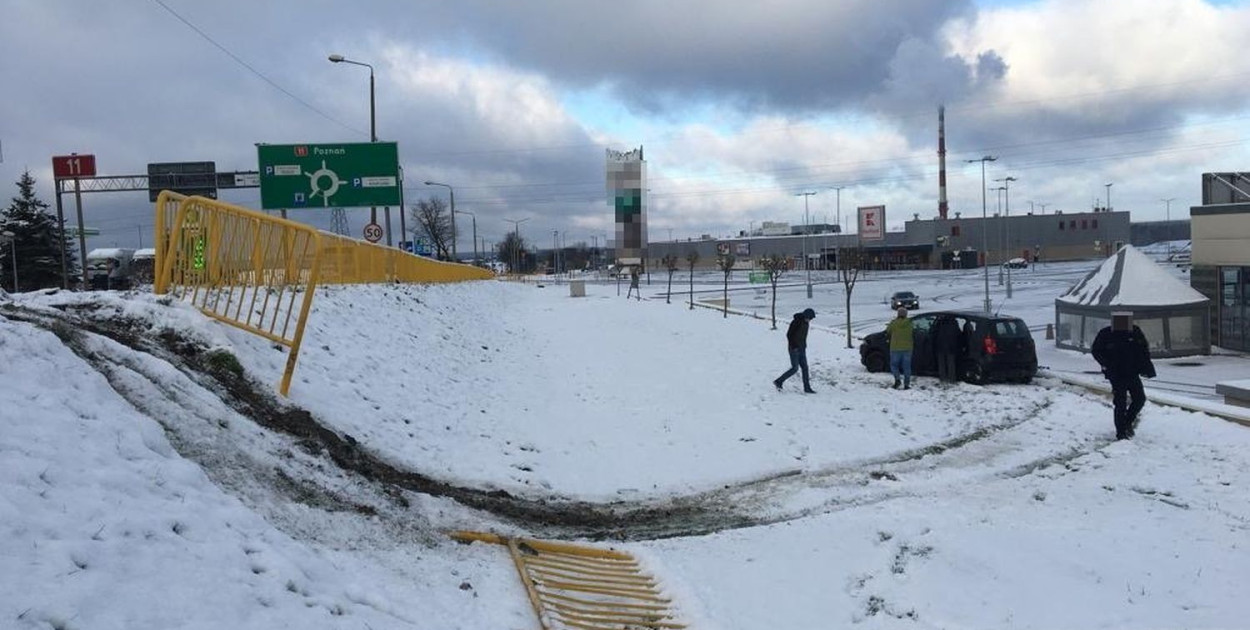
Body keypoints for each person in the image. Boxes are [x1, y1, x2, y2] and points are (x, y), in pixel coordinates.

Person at [1091, 312, 1156, 440]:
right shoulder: (1106, 333)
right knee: (1120, 403)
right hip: (1116, 374)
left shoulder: (1135, 332)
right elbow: (1096, 350)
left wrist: (1146, 367)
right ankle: (1121, 433)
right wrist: (1107, 364)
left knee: (1139, 399)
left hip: (1132, 372)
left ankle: (1127, 423)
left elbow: (1143, 350)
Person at [773, 308, 817, 393]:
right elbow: (789, 335)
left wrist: (804, 345)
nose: (810, 320)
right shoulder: (796, 322)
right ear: (806, 316)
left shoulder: (806, 323)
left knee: (805, 368)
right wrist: (794, 346)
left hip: (802, 348)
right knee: (795, 368)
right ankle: (778, 381)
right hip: (794, 349)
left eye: (811, 319)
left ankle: (807, 388)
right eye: (809, 318)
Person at [885, 307, 914, 389]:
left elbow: (888, 330)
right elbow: (915, 331)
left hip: (895, 348)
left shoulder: (894, 323)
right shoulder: (910, 323)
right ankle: (906, 384)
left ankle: (897, 379)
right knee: (907, 367)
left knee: (894, 365)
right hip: (907, 348)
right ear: (906, 314)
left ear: (898, 314)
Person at [933, 314, 962, 384]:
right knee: (951, 364)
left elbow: (934, 333)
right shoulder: (954, 323)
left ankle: (943, 378)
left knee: (941, 364)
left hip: (940, 346)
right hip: (951, 347)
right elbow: (958, 335)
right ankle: (952, 378)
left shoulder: (940, 323)